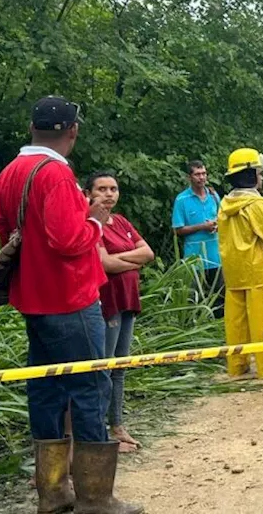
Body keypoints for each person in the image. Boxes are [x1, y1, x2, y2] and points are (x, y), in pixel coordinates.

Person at [0, 96, 141, 514]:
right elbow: (69, 240)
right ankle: (96, 497)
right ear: (72, 131)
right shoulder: (55, 173)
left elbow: (6, 233)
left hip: (32, 298)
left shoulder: (10, 173)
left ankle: (53, 494)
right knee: (90, 388)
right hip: (71, 298)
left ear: (31, 128)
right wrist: (93, 219)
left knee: (44, 390)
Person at [87, 172, 155, 454]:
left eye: (113, 189)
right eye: (101, 189)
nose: (108, 194)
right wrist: (131, 262)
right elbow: (103, 264)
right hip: (107, 303)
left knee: (120, 366)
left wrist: (120, 261)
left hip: (129, 300)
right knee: (104, 367)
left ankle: (117, 424)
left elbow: (148, 253)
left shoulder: (123, 222)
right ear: (90, 193)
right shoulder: (92, 225)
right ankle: (100, 431)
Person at [216, 149, 263, 381]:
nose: (262, 178)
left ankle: (237, 365)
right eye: (259, 173)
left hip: (233, 271)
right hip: (257, 270)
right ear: (250, 175)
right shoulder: (255, 203)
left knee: (236, 323)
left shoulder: (225, 203)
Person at [172, 160, 222, 318]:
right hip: (195, 258)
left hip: (216, 256)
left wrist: (217, 226)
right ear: (189, 177)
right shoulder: (182, 200)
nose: (201, 177)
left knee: (219, 297)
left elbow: (223, 218)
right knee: (195, 297)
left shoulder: (214, 196)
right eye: (197, 174)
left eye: (204, 174)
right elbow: (178, 229)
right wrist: (202, 226)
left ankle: (219, 328)